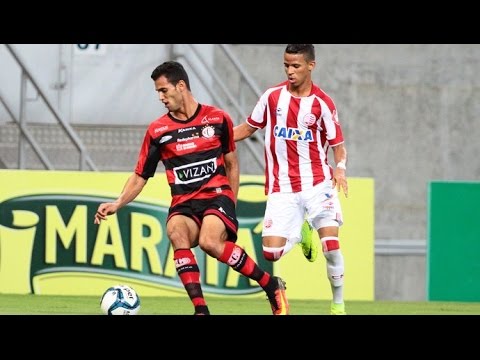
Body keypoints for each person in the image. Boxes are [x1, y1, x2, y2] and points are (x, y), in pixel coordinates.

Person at [93, 60, 289, 315]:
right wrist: (118, 202)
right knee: (175, 231)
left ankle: (270, 284)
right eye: (158, 92)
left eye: (164, 90)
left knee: (209, 241)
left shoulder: (218, 119)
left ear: (181, 85)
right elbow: (141, 175)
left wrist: (230, 203)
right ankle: (201, 310)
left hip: (216, 197)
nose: (161, 97)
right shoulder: (158, 131)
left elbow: (232, 164)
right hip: (184, 203)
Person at [234, 44, 348, 315]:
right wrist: (217, 137)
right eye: (286, 65)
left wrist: (340, 168)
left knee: (331, 245)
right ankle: (300, 235)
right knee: (271, 254)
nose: (289, 71)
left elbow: (338, 145)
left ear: (311, 65)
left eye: (295, 66)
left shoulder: (322, 103)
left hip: (318, 183)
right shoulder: (272, 97)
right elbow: (249, 127)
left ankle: (338, 305)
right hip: (282, 187)